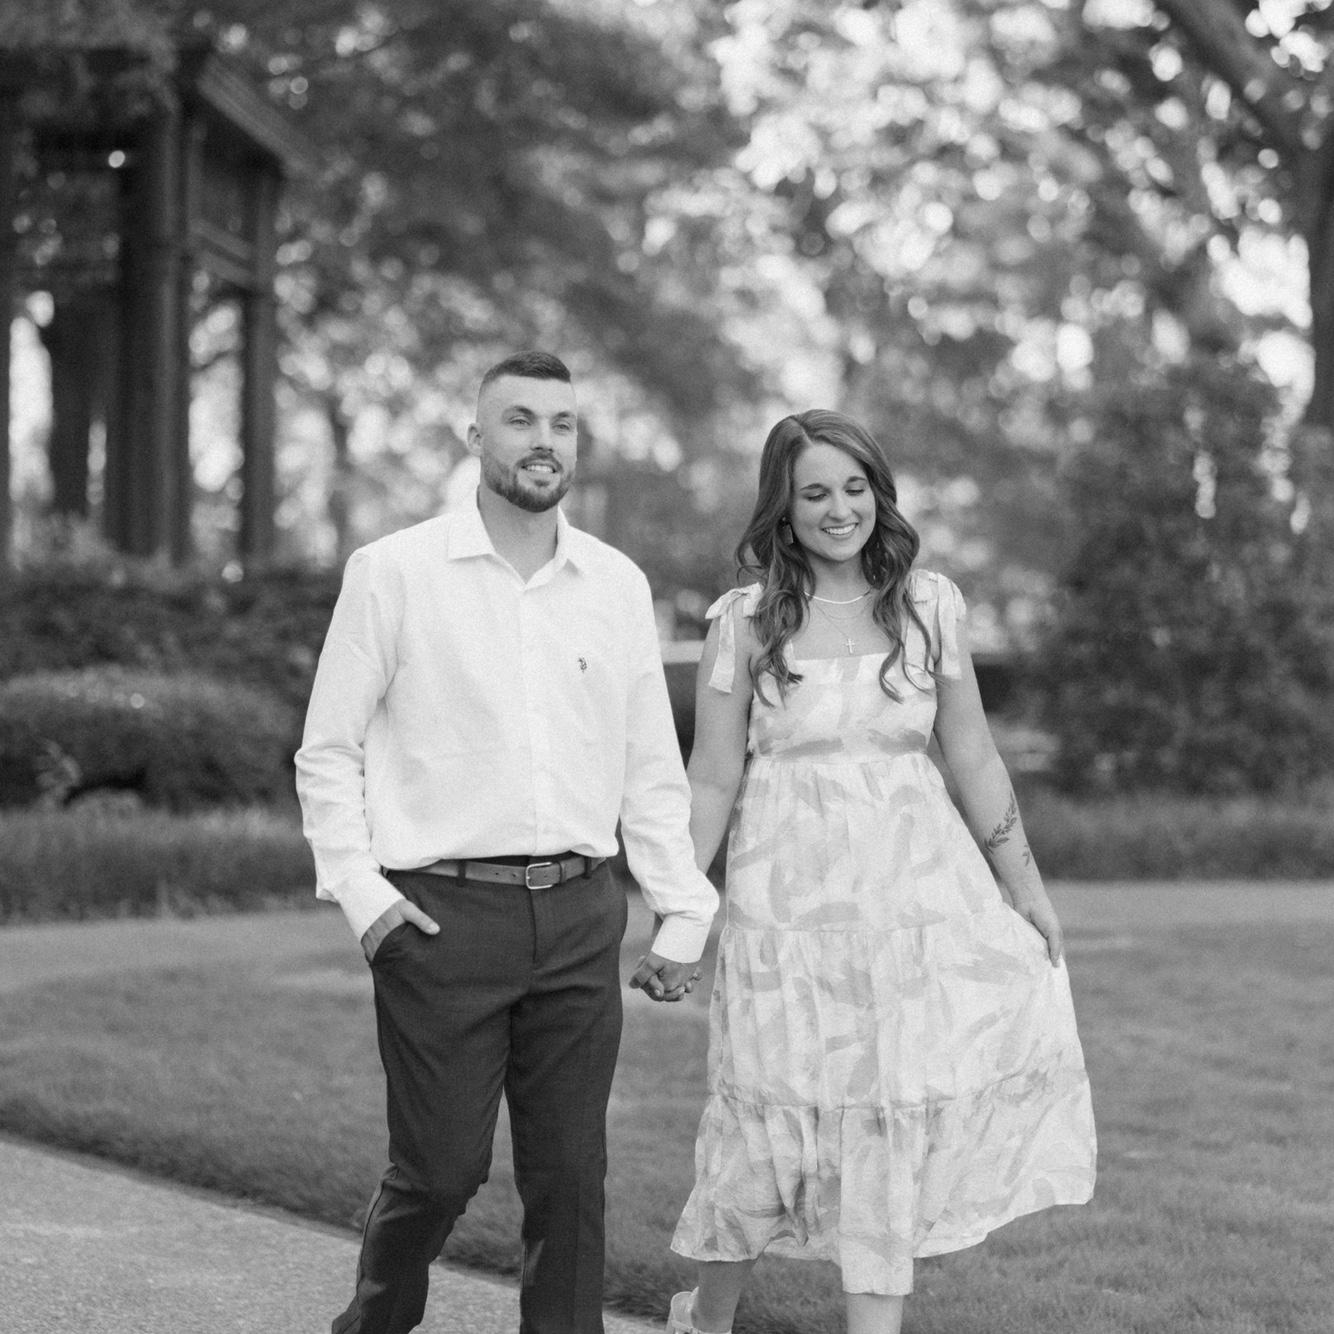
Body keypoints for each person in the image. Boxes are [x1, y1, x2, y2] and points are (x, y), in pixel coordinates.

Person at [295, 350, 717, 1334]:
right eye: (520, 419)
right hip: (439, 918)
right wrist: (363, 894)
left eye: (562, 423)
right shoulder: (394, 572)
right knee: (440, 1170)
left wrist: (682, 910)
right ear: (476, 436)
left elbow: (649, 765)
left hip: (579, 911)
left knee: (570, 1175)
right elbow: (328, 749)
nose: (544, 440)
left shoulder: (614, 583)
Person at [662, 411, 1096, 1334]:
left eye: (854, 487)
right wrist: (677, 914)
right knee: (762, 1123)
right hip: (786, 921)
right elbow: (712, 779)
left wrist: (1025, 891)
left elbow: (973, 756)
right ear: (783, 507)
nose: (839, 509)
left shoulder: (929, 605)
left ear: (879, 493)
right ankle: (704, 1317)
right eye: (815, 492)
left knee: (885, 1116)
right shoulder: (743, 623)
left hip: (915, 912)